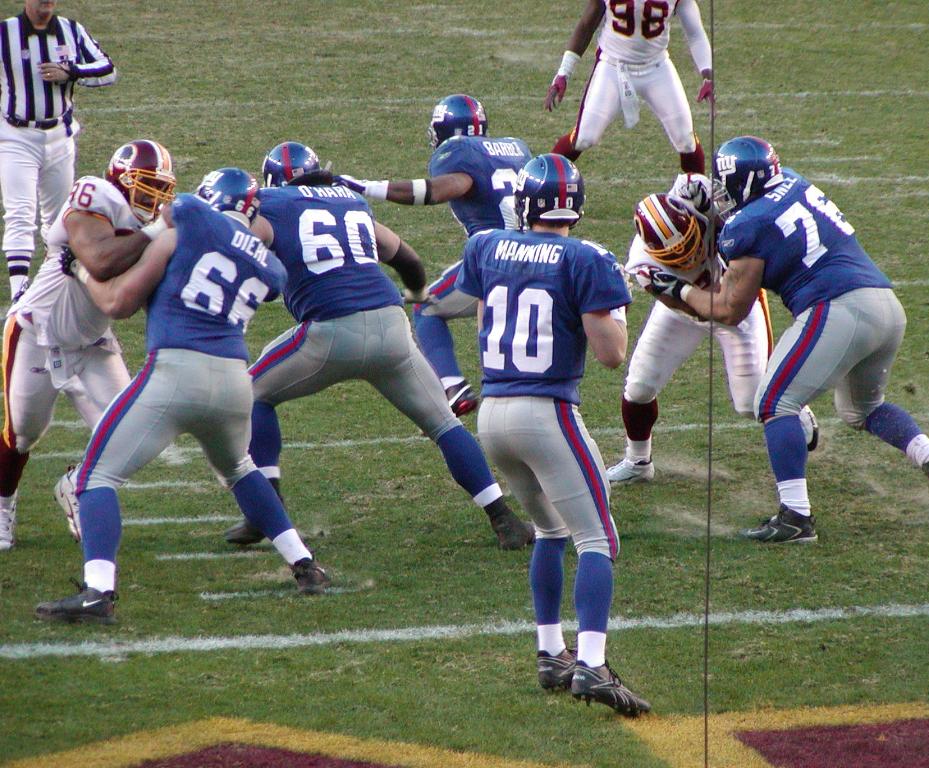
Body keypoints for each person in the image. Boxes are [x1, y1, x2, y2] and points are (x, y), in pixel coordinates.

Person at [35, 168, 330, 623]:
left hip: (177, 369)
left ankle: (98, 593)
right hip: (233, 380)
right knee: (240, 468)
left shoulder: (189, 218)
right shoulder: (271, 267)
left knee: (95, 477)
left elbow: (119, 302)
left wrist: (79, 270)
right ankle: (305, 564)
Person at [219, 142, 534, 551]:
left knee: (251, 394)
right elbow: (406, 257)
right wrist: (418, 294)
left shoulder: (270, 204)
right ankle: (504, 519)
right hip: (391, 327)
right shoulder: (349, 201)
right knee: (443, 423)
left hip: (330, 333)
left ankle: (266, 510)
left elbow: (243, 247)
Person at [673, 135, 929, 542]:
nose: (721, 195)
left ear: (745, 183)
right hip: (885, 306)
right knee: (862, 409)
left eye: (726, 186)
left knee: (774, 402)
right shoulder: (792, 180)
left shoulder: (747, 226)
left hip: (838, 307)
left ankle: (796, 517)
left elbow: (730, 309)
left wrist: (678, 289)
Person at [457, 153, 649, 716]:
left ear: (526, 204)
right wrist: (619, 310)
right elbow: (612, 355)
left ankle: (550, 652)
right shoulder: (587, 257)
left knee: (550, 529)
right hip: (547, 414)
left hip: (493, 412)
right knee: (599, 538)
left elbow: (483, 322)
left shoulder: (486, 245)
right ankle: (591, 663)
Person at [1, 139, 175, 551]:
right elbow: (100, 261)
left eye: (160, 188)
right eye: (146, 184)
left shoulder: (152, 228)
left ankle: (76, 482)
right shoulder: (95, 194)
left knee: (135, 432)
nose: (153, 197)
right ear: (122, 180)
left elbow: (126, 302)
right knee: (22, 433)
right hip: (38, 332)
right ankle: (2, 505)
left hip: (94, 342)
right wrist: (155, 233)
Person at [608, 175, 818, 484]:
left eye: (690, 246)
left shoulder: (699, 198)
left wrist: (724, 209)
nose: (690, 258)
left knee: (750, 403)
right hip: (686, 311)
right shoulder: (644, 266)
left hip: (740, 307)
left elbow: (745, 214)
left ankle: (794, 405)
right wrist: (683, 290)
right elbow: (696, 309)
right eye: (675, 259)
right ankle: (638, 460)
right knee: (638, 388)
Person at [335, 95, 532, 417]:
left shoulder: (461, 155)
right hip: (537, 251)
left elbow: (439, 189)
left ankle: (453, 387)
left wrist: (366, 187)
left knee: (427, 307)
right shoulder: (516, 148)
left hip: (496, 257)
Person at [0, 0, 116, 299]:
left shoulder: (71, 30)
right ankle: (18, 293)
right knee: (20, 214)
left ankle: (50, 288)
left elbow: (107, 69)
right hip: (16, 137)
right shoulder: (4, 34)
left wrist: (71, 71)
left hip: (60, 137)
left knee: (59, 221)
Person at [544, 0, 713, 174]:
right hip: (613, 65)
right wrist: (563, 73)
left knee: (686, 140)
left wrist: (707, 76)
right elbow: (586, 25)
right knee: (584, 138)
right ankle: (542, 179)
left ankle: (700, 189)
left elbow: (695, 34)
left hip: (657, 66)